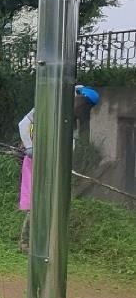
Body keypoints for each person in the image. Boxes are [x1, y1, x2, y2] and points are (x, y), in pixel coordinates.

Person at [18, 84, 100, 252]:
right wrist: (30, 147)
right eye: (85, 105)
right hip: (36, 160)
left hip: (55, 165)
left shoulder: (72, 121)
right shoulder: (49, 105)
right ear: (78, 99)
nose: (85, 110)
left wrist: (65, 161)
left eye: (88, 108)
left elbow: (71, 143)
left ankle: (45, 241)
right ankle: (25, 242)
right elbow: (23, 124)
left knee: (51, 201)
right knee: (37, 201)